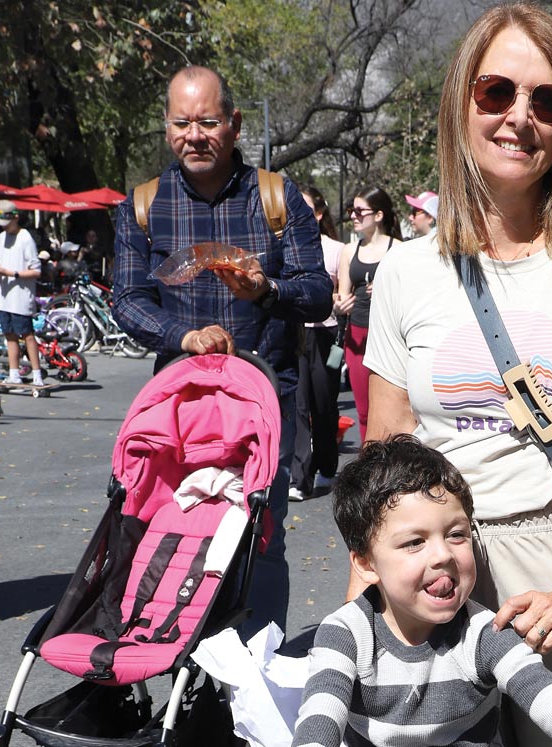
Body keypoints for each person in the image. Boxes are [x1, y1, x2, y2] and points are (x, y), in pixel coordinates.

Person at [362, 6, 552, 744]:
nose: (519, 117)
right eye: (497, 92)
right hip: (438, 567)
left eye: (547, 101)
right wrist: (366, 610)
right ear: (463, 101)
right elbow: (385, 454)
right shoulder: (405, 270)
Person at [112, 65, 332, 636]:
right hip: (180, 411)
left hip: (265, 406)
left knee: (262, 539)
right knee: (179, 534)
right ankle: (191, 672)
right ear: (167, 129)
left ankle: (256, 680)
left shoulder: (277, 198)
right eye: (182, 123)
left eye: (208, 122)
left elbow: (317, 294)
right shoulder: (143, 205)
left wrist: (268, 289)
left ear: (233, 124)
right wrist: (180, 338)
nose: (195, 135)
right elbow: (127, 301)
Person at [292, 435, 552, 747]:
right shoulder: (346, 634)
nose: (442, 555)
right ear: (366, 564)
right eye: (414, 542)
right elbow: (320, 715)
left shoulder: (484, 632)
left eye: (456, 534)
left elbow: (550, 699)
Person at [289, 185, 346, 501]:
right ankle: (301, 476)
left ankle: (327, 465)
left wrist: (339, 301)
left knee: (323, 405)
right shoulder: (287, 245)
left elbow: (344, 291)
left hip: (327, 334)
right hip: (297, 332)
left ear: (319, 213)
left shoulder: (337, 250)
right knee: (298, 405)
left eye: (305, 207)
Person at [336, 187, 402, 443]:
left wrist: (388, 290)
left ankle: (394, 466)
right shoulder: (348, 250)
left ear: (378, 215)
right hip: (357, 336)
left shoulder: (397, 249)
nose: (353, 215)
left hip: (390, 337)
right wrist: (339, 307)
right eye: (351, 210)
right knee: (364, 411)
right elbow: (341, 294)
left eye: (359, 210)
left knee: (394, 407)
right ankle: (369, 467)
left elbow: (410, 293)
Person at [0, 200, 45, 386]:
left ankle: (37, 374)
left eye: (7, 223)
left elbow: (36, 270)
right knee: (9, 334)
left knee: (27, 334)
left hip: (21, 296)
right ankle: (14, 373)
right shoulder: (1, 238)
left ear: (16, 218)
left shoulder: (25, 238)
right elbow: (5, 263)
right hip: (4, 295)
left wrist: (12, 273)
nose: (4, 228)